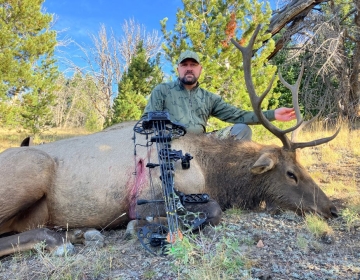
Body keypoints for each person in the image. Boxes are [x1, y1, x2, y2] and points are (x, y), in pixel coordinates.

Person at [142, 50, 296, 140]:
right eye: (184, 65)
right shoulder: (162, 91)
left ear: (200, 69)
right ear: (178, 69)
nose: (189, 69)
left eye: (193, 65)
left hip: (203, 144)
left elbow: (238, 115)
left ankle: (231, 177)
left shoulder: (209, 98)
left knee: (242, 130)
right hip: (172, 144)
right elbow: (146, 123)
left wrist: (273, 114)